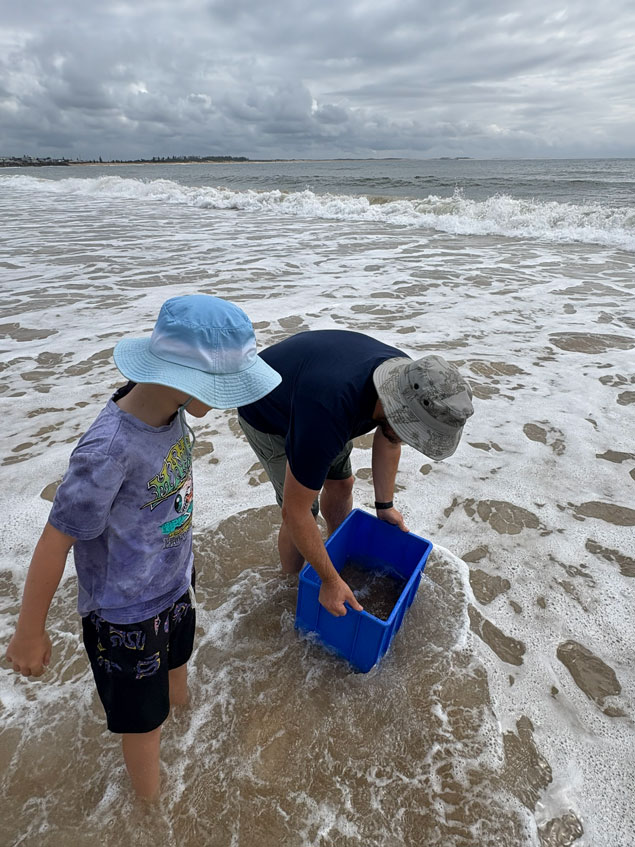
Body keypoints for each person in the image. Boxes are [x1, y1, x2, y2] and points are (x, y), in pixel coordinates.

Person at [4, 294, 281, 802]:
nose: (227, 399)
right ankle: (151, 811)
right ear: (180, 376)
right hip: (125, 615)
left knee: (178, 670)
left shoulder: (171, 411)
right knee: (143, 725)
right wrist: (28, 631)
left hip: (173, 584)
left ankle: (187, 725)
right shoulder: (108, 450)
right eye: (221, 385)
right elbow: (55, 538)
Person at [237, 329, 474, 618]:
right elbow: (294, 512)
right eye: (416, 433)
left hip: (315, 386)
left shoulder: (415, 382)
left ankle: (337, 552)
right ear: (395, 406)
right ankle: (289, 584)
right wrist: (329, 582)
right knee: (305, 511)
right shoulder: (328, 414)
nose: (413, 439)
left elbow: (390, 436)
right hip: (266, 407)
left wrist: (384, 506)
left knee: (342, 484)